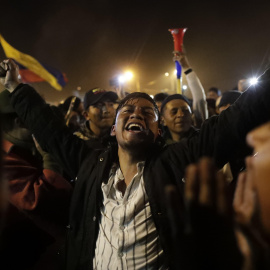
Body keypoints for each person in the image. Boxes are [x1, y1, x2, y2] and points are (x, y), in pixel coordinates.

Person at [1, 58, 270, 270]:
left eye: (147, 113)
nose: (136, 113)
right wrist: (15, 87)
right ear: (114, 130)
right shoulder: (90, 164)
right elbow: (51, 131)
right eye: (127, 110)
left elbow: (237, 119)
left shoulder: (175, 161)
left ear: (157, 132)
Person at [0, 89, 73, 270]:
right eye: (34, 119)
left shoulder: (24, 149)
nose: (41, 126)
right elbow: (42, 198)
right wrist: (51, 157)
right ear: (18, 122)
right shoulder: (6, 160)